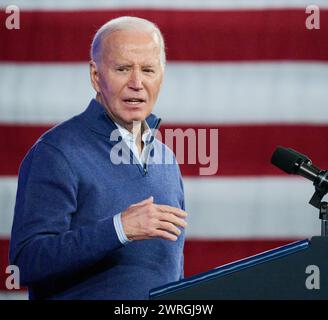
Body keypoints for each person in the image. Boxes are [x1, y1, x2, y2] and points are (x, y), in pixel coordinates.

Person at [9, 16, 187, 300]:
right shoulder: (56, 152)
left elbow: (169, 273)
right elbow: (25, 263)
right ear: (95, 76)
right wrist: (119, 229)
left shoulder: (166, 159)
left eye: (148, 70)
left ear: (161, 76)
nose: (137, 83)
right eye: (123, 68)